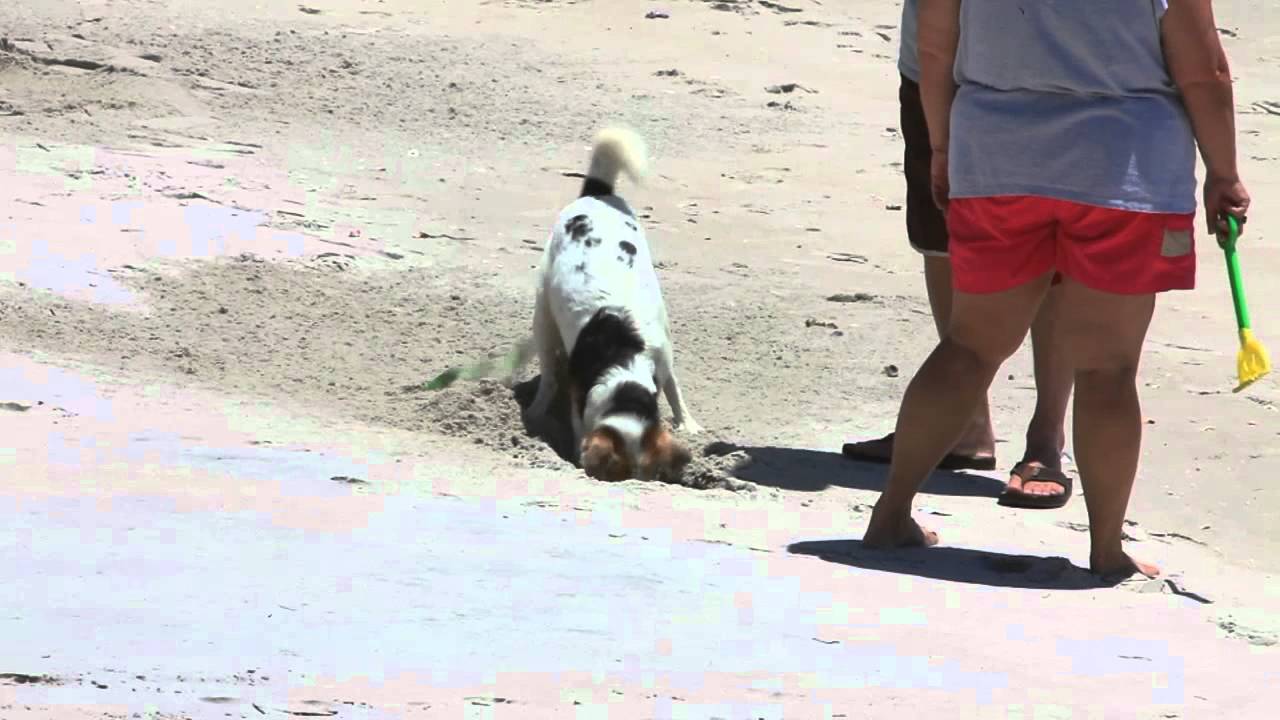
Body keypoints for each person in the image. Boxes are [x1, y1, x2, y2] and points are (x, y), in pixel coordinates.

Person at [861, 0, 1250, 580]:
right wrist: (1223, 172)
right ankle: (1105, 548)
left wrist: (943, 148)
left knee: (970, 347)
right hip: (1124, 172)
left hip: (997, 159)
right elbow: (1204, 72)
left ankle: (891, 514)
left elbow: (937, 49)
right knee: (1108, 369)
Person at [841, 0, 1076, 509]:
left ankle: (1047, 440)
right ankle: (964, 422)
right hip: (933, 57)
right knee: (940, 235)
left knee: (1053, 247)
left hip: (1048, 64)